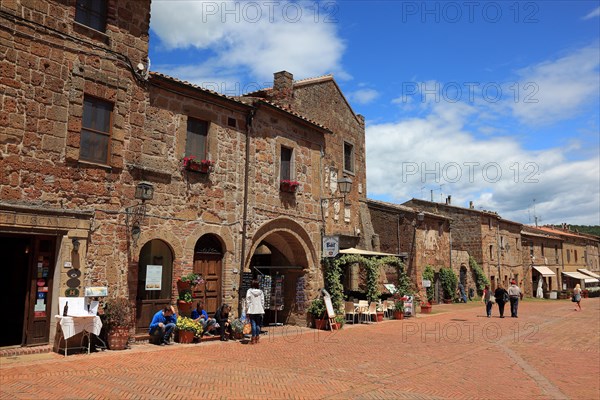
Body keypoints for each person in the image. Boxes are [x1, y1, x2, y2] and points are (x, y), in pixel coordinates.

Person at [246, 279, 265, 345]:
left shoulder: (249, 291)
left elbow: (248, 301)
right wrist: (262, 308)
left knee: (253, 324)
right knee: (258, 324)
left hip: (252, 309)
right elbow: (262, 301)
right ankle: (257, 338)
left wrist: (248, 308)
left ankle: (253, 338)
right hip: (259, 310)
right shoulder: (261, 292)